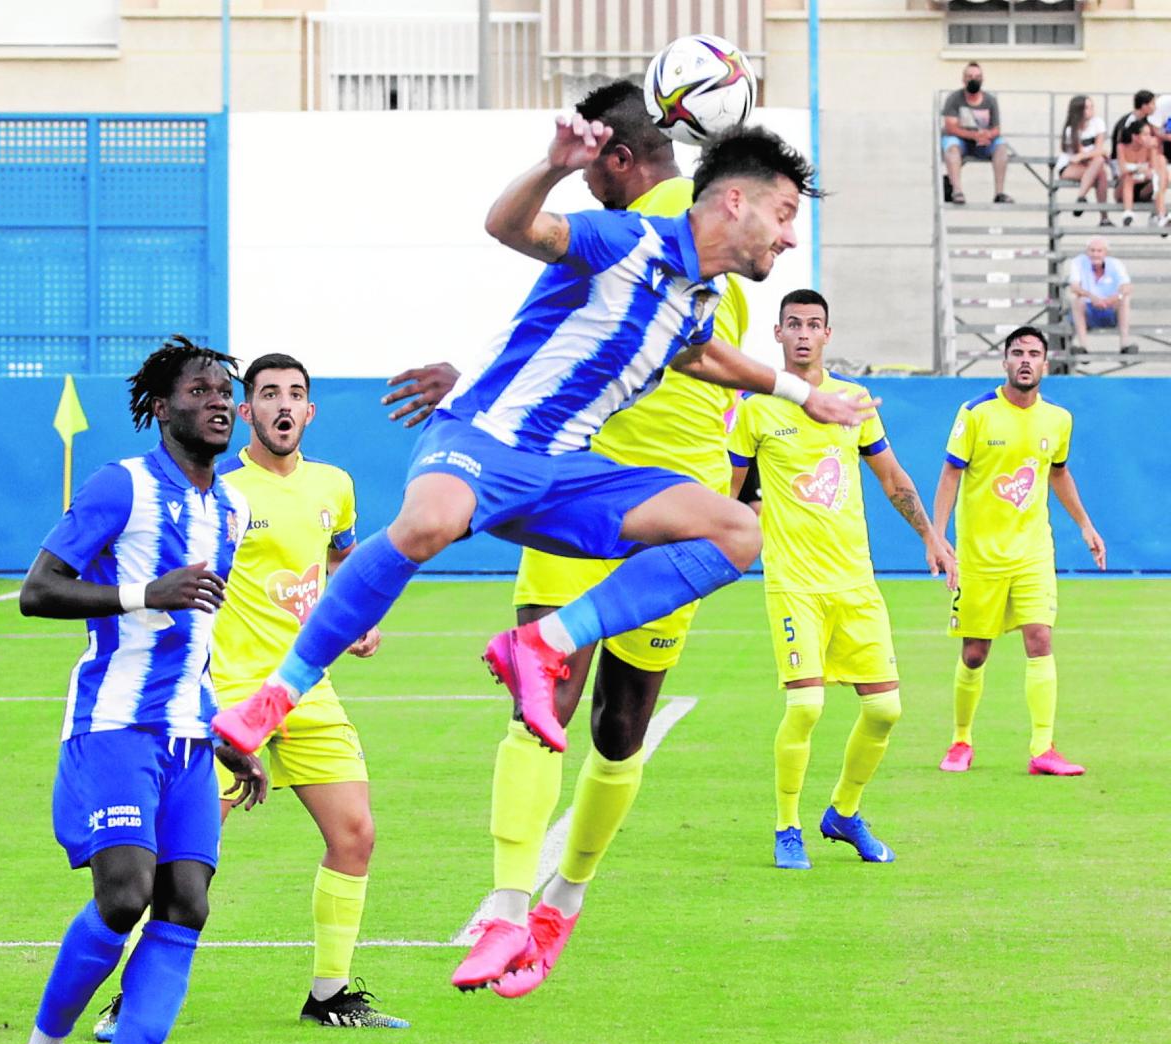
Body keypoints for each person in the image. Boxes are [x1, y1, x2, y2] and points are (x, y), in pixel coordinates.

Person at [213, 119, 879, 988]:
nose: (791, 236)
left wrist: (803, 395)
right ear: (737, 202)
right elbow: (513, 227)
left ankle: (543, 645)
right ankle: (275, 699)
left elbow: (702, 354)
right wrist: (553, 168)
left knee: (734, 532)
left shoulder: (696, 297)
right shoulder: (627, 237)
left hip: (568, 473)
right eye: (786, 214)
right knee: (425, 523)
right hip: (484, 441)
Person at [387, 79, 756, 998]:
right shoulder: (629, 238)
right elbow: (569, 340)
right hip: (568, 483)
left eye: (598, 165)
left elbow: (665, 347)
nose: (587, 181)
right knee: (537, 697)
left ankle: (563, 902)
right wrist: (478, 393)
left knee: (621, 728)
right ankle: (510, 899)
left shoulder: (693, 223)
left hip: (672, 505)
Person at [91, 353, 408, 1039]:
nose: (282, 404)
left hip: (308, 692)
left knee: (356, 835)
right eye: (268, 394)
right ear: (246, 412)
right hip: (229, 697)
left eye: (295, 393)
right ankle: (127, 999)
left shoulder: (336, 485)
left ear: (310, 410)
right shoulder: (222, 495)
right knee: (186, 858)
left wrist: (355, 618)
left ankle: (330, 995)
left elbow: (340, 560)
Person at [13, 336, 267, 1044]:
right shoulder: (119, 484)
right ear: (164, 408)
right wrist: (139, 593)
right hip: (113, 726)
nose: (220, 401)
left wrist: (227, 731)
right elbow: (37, 590)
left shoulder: (231, 510)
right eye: (201, 390)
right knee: (125, 897)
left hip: (190, 737)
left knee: (186, 905)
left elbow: (196, 639)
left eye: (225, 390)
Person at [729, 290, 956, 870]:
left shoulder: (854, 401)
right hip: (793, 585)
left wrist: (931, 535)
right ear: (777, 334)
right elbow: (726, 494)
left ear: (828, 334)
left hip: (855, 583)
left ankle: (844, 814)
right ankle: (787, 827)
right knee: (805, 707)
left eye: (814, 325)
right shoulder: (756, 409)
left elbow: (891, 475)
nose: (804, 334)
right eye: (794, 325)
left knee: (885, 712)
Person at [933, 326, 1106, 777]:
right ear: (1005, 362)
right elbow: (950, 474)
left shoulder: (1058, 419)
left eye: (1034, 353)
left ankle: (1042, 748)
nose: (1025, 360)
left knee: (1040, 638)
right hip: (979, 555)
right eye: (1017, 353)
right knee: (975, 652)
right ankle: (960, 740)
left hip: (1032, 552)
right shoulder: (975, 413)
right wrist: (937, 535)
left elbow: (1059, 473)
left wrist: (1086, 525)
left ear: (1046, 364)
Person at [941, 62, 1012, 206]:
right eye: (970, 76)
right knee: (951, 146)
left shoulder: (990, 100)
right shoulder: (954, 99)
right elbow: (950, 128)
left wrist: (987, 135)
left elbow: (997, 129)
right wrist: (974, 136)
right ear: (963, 79)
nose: (973, 79)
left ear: (983, 79)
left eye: (977, 77)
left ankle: (999, 193)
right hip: (961, 142)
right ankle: (957, 191)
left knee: (1001, 147)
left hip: (983, 142)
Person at [1067, 235, 1136, 355]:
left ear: (1106, 253)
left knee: (1125, 299)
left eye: (1099, 251)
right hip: (1089, 309)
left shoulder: (1115, 264)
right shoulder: (1078, 262)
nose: (1095, 254)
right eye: (1092, 250)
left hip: (1110, 308)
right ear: (1087, 252)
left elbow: (1127, 287)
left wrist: (1112, 299)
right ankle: (1083, 347)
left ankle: (1124, 345)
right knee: (1076, 300)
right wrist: (1092, 298)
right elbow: (1074, 287)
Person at [1112, 92, 1170, 228]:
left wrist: (1149, 170)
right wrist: (1140, 169)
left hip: (1144, 181)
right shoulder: (1125, 137)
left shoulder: (1149, 144)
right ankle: (1129, 213)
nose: (1155, 107)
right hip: (1126, 178)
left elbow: (1154, 167)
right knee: (1129, 178)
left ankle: (1159, 215)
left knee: (1162, 171)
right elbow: (1122, 167)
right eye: (1152, 104)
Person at [1056, 95, 1110, 223]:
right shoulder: (1071, 130)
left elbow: (1098, 149)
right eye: (1087, 108)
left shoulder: (1098, 123)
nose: (1091, 110)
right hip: (1070, 167)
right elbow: (1078, 158)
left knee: (1100, 170)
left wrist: (1086, 155)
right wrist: (1093, 154)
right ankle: (1104, 217)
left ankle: (1081, 197)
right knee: (1100, 168)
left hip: (1091, 165)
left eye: (1092, 107)